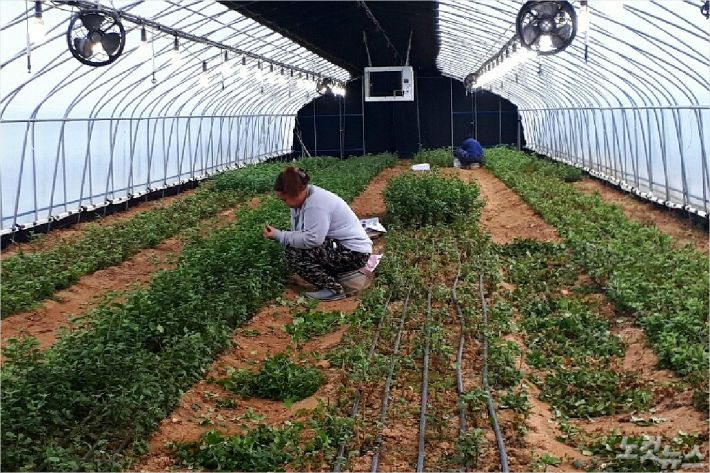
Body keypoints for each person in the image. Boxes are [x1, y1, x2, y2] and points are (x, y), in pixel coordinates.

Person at [263, 166, 372, 301]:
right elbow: (300, 232)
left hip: (354, 254)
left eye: (284, 199)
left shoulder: (316, 204)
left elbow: (312, 240)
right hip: (342, 248)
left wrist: (279, 236)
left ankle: (333, 289)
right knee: (295, 245)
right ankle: (335, 278)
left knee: (293, 252)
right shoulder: (303, 199)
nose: (285, 203)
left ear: (296, 192)